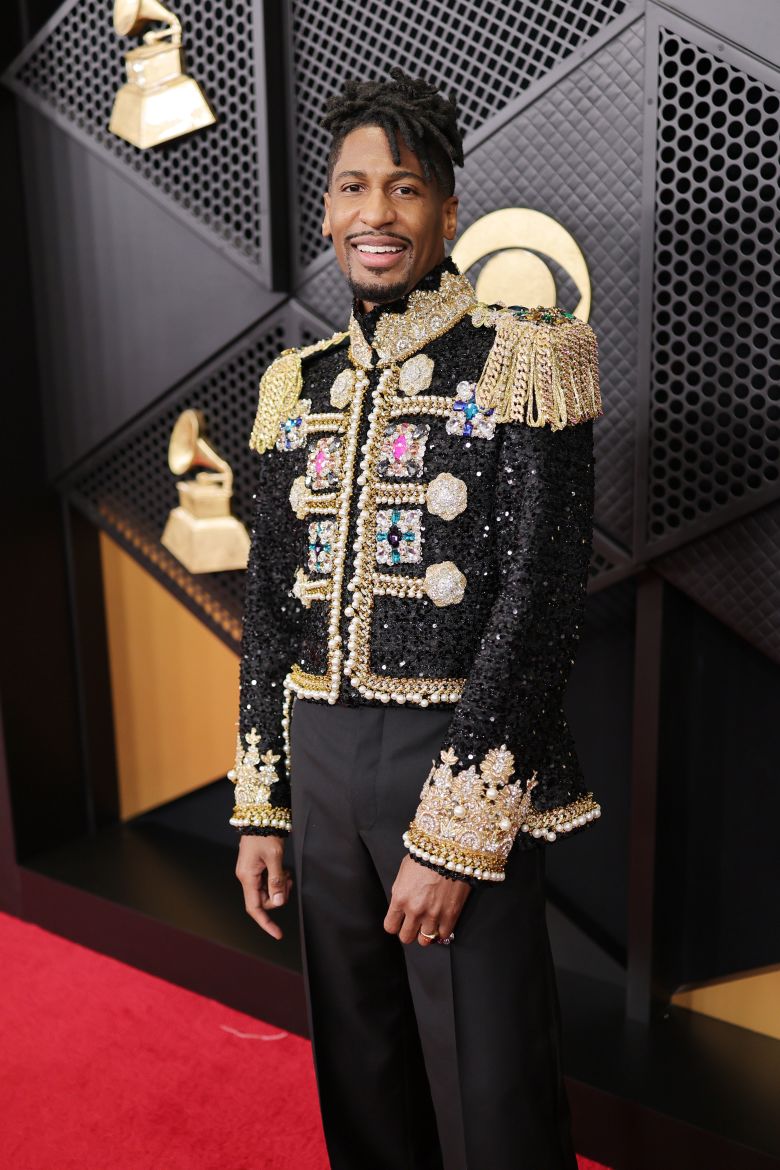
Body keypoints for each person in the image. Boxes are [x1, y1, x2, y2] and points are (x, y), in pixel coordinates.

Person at [232, 66, 603, 1170]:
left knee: (490, 1095)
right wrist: (262, 799)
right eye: (353, 188)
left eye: (404, 187)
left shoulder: (525, 357)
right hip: (322, 764)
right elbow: (265, 605)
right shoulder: (292, 385)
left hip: (454, 763)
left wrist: (456, 833)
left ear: (449, 211)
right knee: (363, 1075)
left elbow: (537, 605)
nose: (375, 214)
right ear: (329, 213)